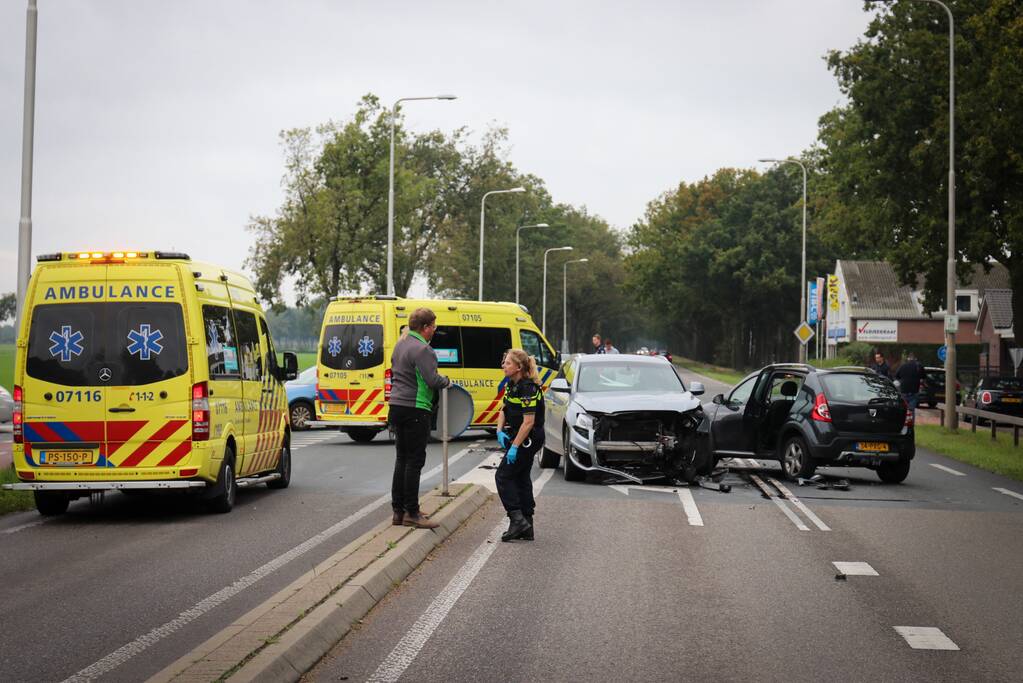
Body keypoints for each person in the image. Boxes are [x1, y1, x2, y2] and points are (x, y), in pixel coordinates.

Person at [388, 307, 451, 529]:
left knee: (401, 459)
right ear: (425, 328)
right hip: (415, 408)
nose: (434, 330)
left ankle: (398, 511)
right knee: (414, 461)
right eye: (433, 326)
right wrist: (448, 382)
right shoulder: (423, 349)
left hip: (396, 406)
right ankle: (412, 513)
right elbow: (432, 380)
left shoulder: (401, 343)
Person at [495, 349, 545, 542]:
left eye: (507, 363)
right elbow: (504, 409)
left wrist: (515, 446)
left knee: (503, 476)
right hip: (519, 434)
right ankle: (527, 525)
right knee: (521, 477)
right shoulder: (511, 384)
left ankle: (517, 520)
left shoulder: (528, 388)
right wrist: (499, 430)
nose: (503, 366)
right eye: (504, 362)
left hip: (530, 436)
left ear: (519, 367)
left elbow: (529, 422)